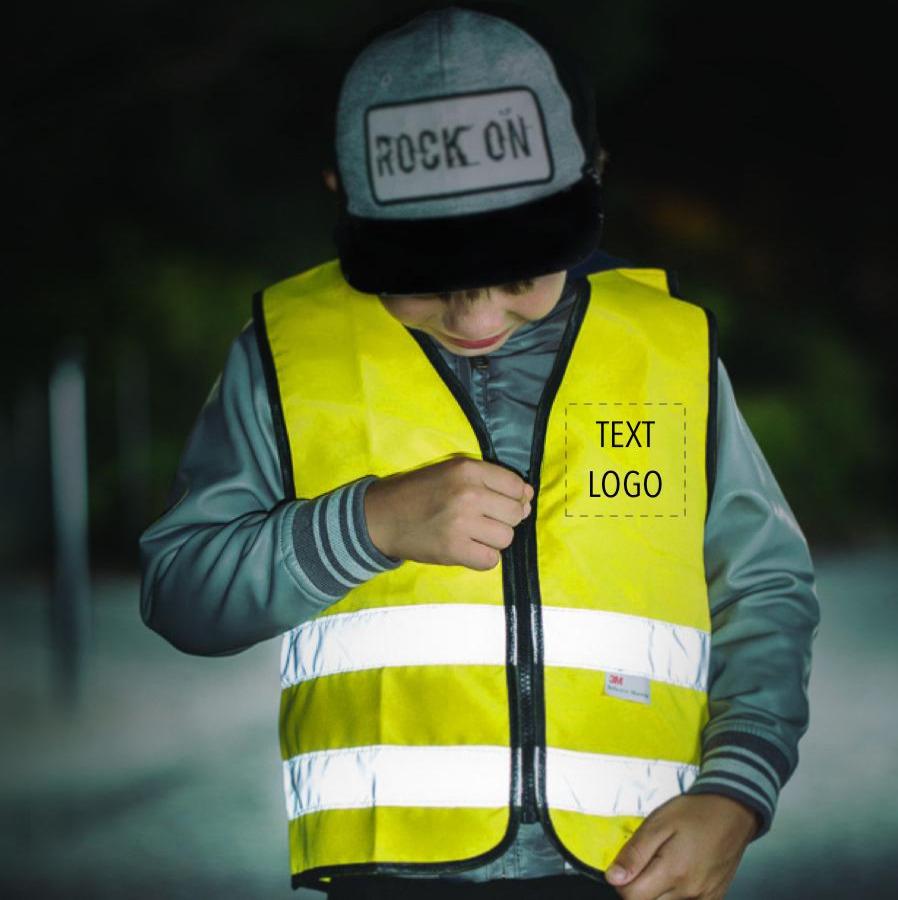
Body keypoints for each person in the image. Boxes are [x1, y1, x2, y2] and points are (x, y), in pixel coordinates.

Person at [138, 3, 820, 898]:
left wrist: (738, 790)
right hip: (388, 875)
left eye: (515, 278)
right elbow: (180, 591)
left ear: (594, 183)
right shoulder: (284, 353)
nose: (478, 319)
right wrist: (365, 526)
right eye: (427, 284)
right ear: (345, 202)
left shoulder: (670, 348)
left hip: (634, 868)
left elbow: (765, 586)